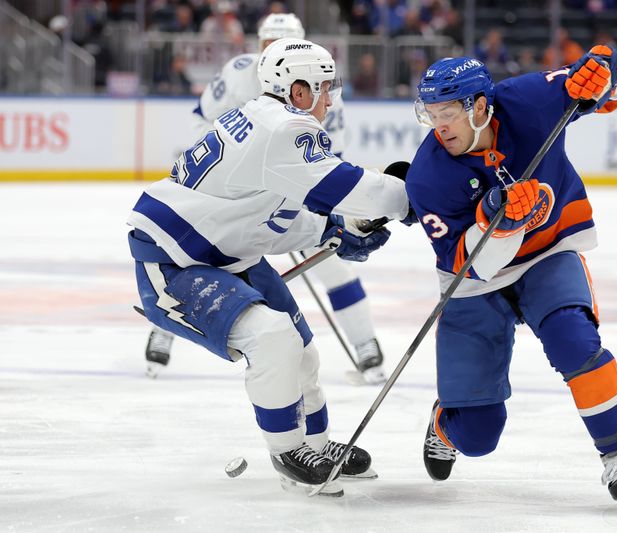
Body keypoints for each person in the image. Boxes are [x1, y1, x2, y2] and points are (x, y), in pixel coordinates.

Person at [127, 38, 411, 495]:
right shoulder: (283, 129)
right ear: (298, 91)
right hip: (174, 259)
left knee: (301, 351)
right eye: (323, 86)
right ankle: (287, 452)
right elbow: (348, 186)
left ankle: (315, 445)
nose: (330, 97)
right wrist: (411, 197)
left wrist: (331, 230)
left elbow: (265, 217)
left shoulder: (263, 119)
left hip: (222, 250)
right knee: (273, 339)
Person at [406, 48, 617, 511]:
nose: (439, 127)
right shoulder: (428, 176)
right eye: (431, 114)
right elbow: (468, 264)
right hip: (477, 283)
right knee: (478, 436)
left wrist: (610, 67)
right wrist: (494, 225)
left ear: (481, 105)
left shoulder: (530, 99)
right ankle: (444, 423)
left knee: (575, 341)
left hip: (549, 251)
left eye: (448, 113)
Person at [146, 12, 390, 385]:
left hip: (296, 192)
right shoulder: (238, 71)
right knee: (195, 262)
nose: (272, 51)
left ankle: (365, 344)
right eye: (267, 44)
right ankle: (165, 327)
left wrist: (318, 204)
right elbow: (202, 122)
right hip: (237, 198)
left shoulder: (319, 87)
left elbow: (329, 156)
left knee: (334, 262)